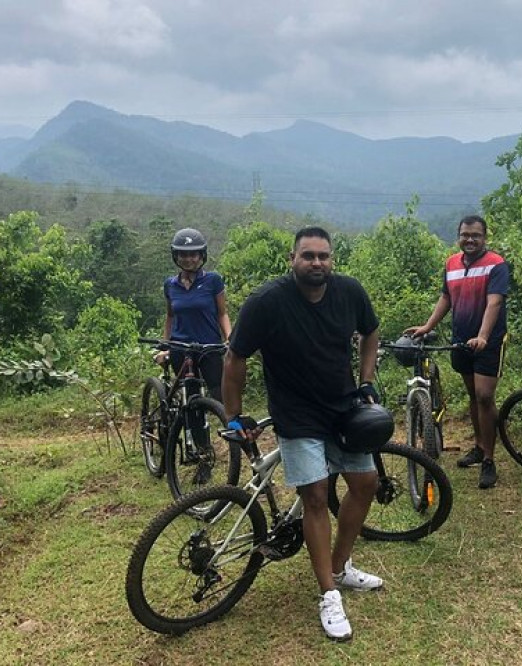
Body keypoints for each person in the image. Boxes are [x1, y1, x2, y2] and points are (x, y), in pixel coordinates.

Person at [222, 226, 384, 642]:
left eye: (323, 256)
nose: (317, 263)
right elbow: (235, 356)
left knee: (365, 485)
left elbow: (371, 333)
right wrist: (235, 414)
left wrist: (367, 382)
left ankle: (340, 566)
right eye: (308, 256)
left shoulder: (350, 292)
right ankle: (328, 595)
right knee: (315, 496)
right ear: (292, 259)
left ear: (332, 260)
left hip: (344, 407)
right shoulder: (267, 302)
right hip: (297, 415)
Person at [406, 214, 509, 489]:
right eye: (465, 234)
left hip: (489, 341)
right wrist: (428, 326)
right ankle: (478, 446)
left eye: (476, 235)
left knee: (485, 396)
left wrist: (484, 336)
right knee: (473, 396)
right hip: (461, 339)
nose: (470, 239)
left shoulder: (496, 264)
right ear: (459, 236)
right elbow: (446, 297)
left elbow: (495, 302)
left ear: (485, 237)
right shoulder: (451, 263)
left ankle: (489, 459)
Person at [159, 227, 232, 400]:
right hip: (180, 347)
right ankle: (191, 426)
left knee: (218, 394)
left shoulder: (213, 280)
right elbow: (170, 316)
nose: (188, 259)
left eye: (193, 254)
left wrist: (229, 338)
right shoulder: (170, 284)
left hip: (209, 346)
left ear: (201, 256)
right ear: (176, 256)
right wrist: (164, 346)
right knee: (189, 397)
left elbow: (222, 313)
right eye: (183, 255)